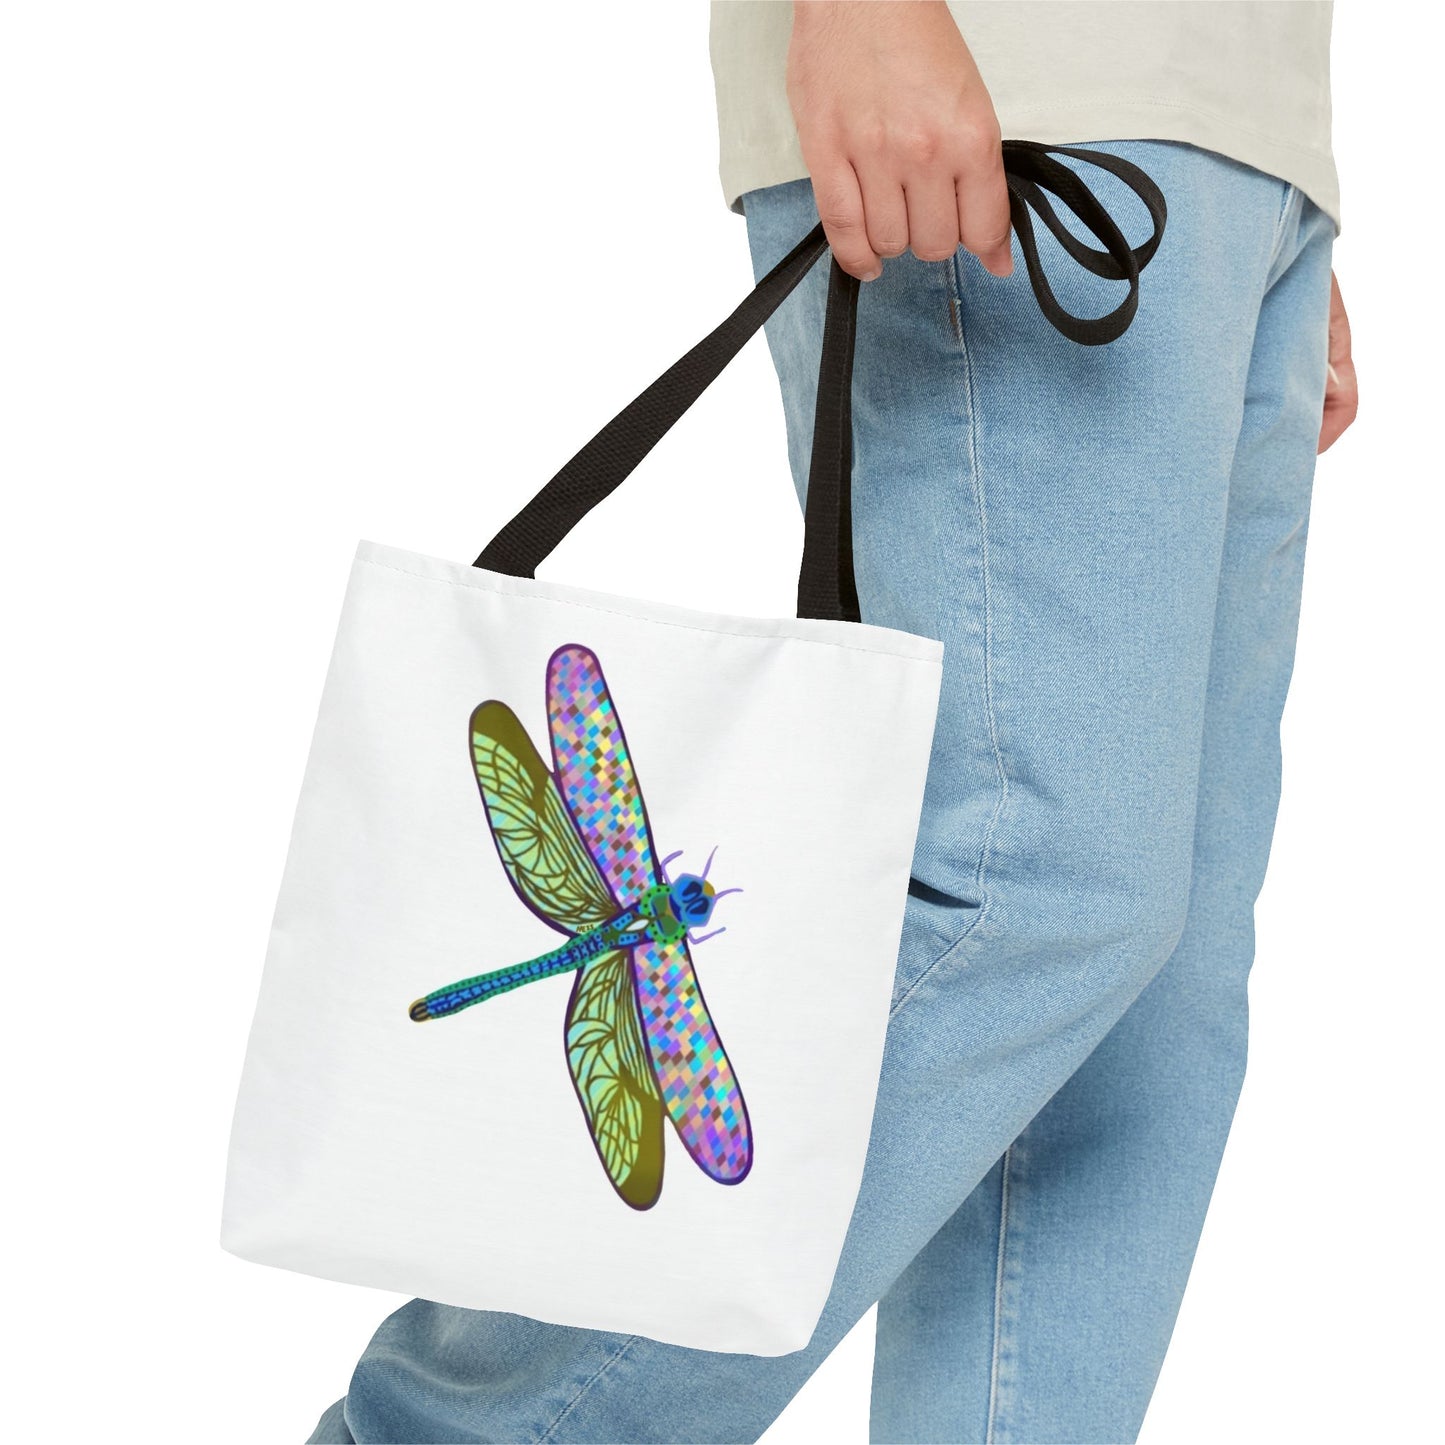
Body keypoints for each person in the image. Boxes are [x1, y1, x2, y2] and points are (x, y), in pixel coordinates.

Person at [309, 3, 1356, 1440]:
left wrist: (1270, 176)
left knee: (1147, 1015)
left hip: (1227, 142)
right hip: (1021, 87)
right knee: (1027, 892)